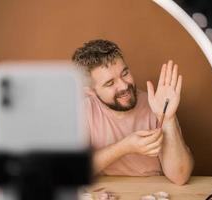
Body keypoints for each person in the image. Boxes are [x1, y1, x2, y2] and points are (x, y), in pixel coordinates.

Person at [72, 39, 194, 185]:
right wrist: (125, 147)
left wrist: (168, 118)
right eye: (110, 83)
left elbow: (180, 176)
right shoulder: (83, 112)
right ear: (90, 91)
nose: (124, 86)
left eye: (125, 73)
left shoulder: (155, 104)